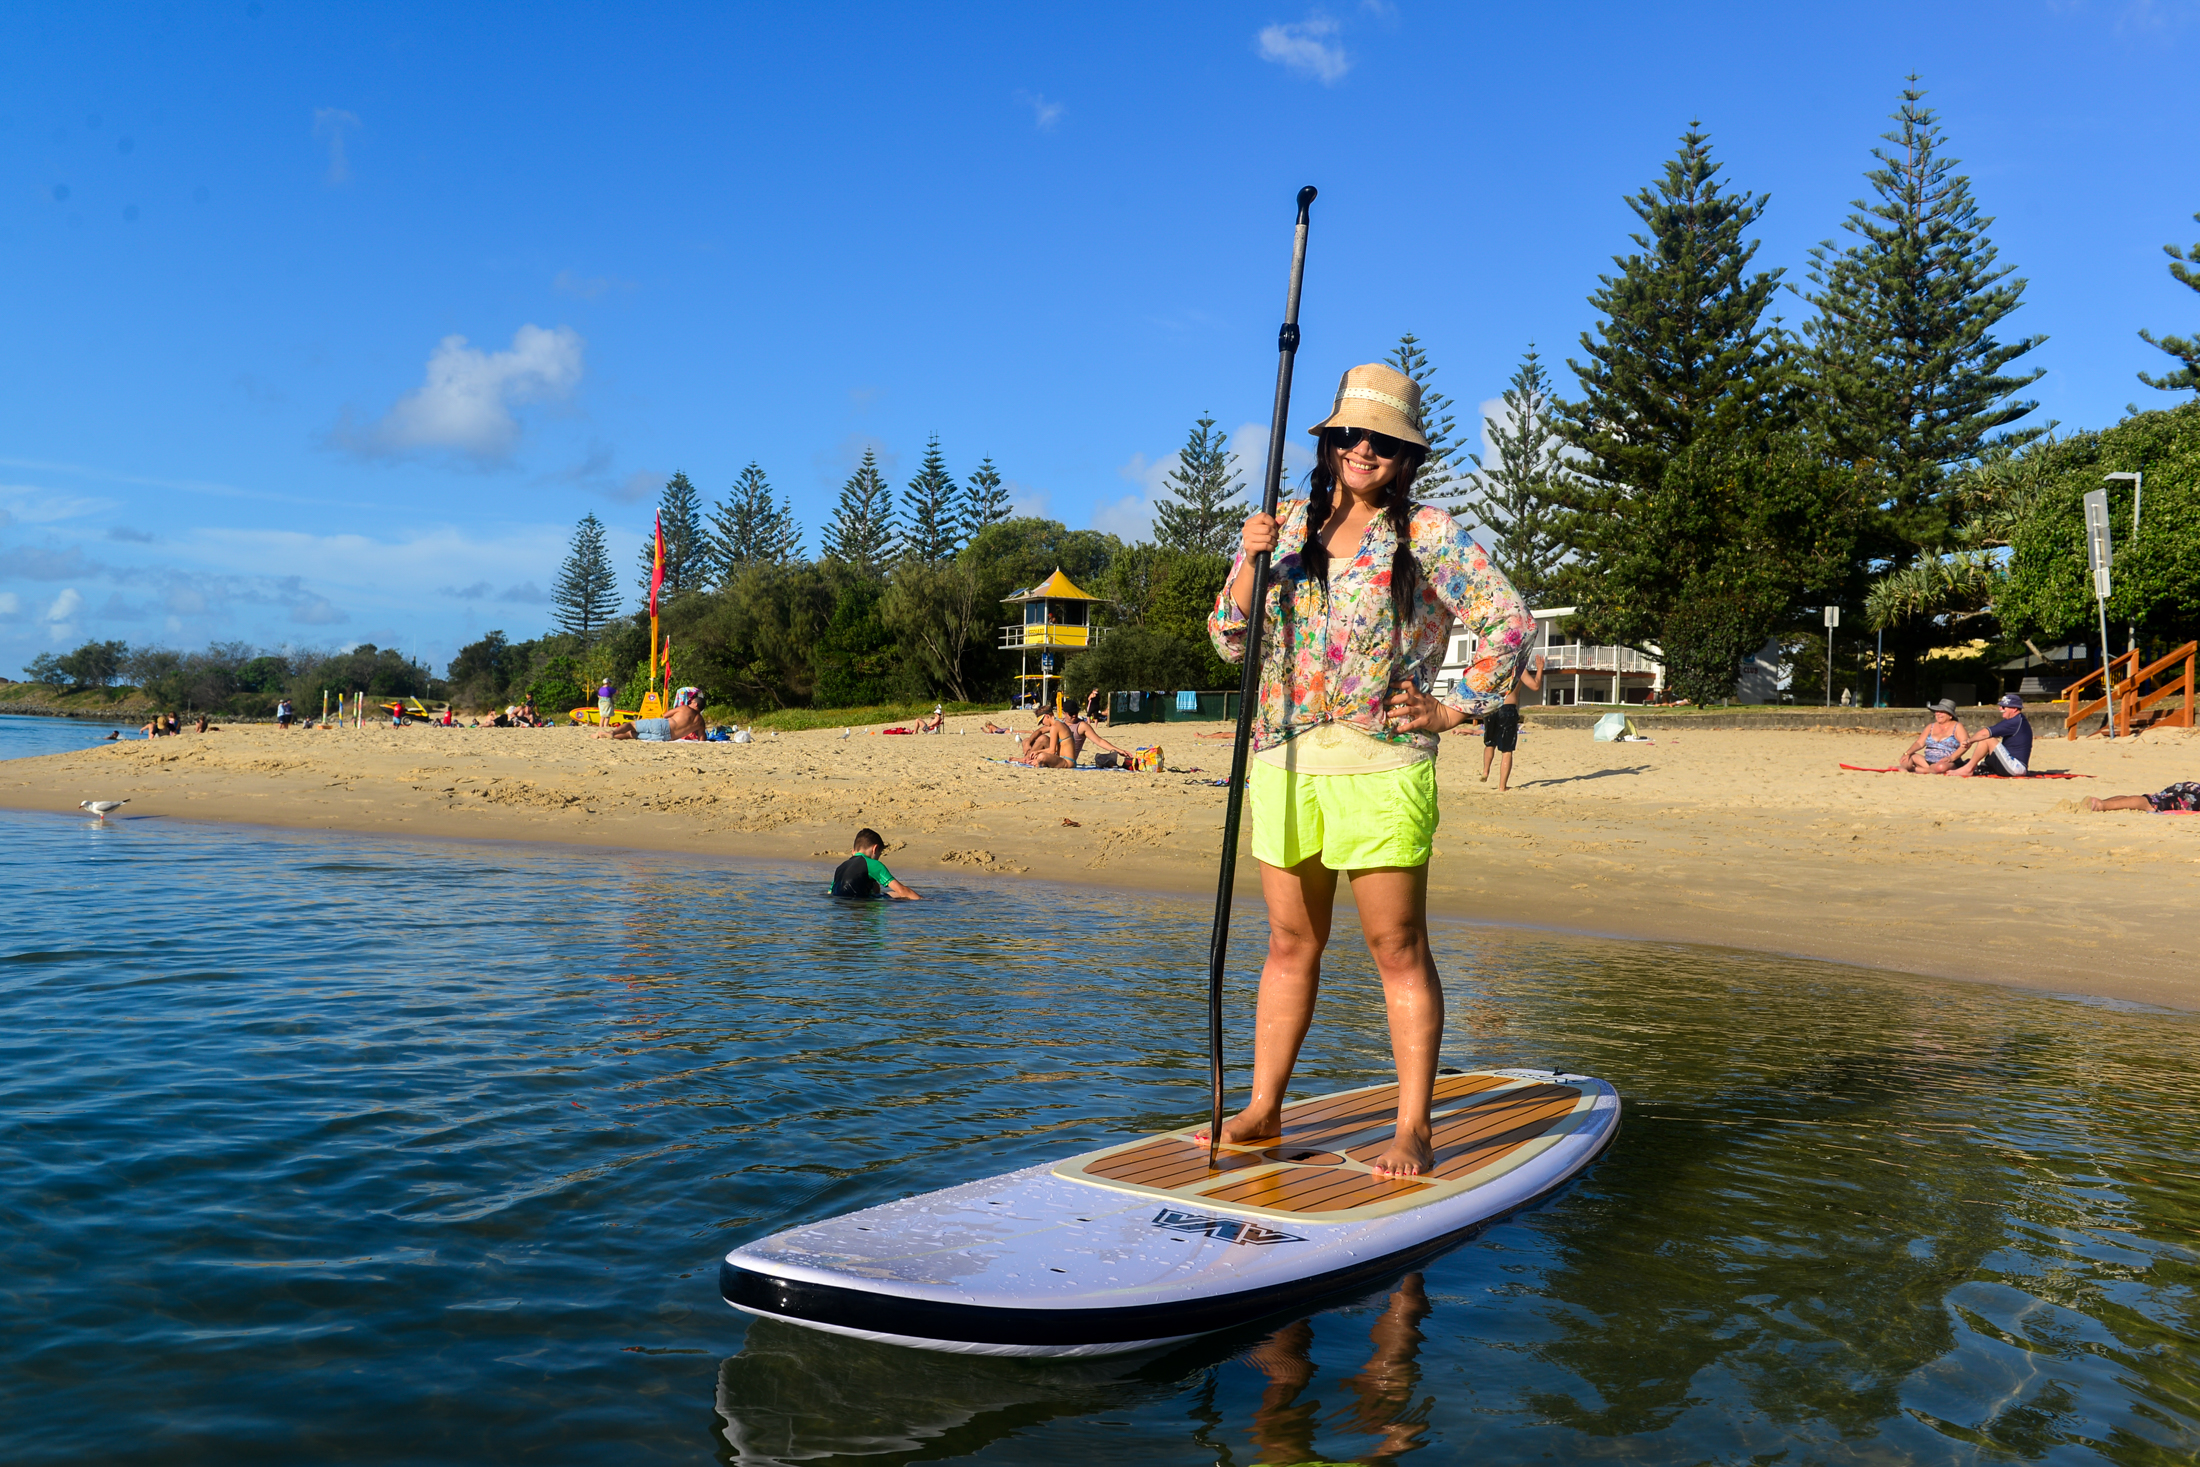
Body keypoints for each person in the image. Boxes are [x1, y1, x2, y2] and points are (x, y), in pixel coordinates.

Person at [1199, 362, 1532, 1178]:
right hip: (1283, 759)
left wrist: (1454, 708)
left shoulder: (1428, 533)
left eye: (1382, 439)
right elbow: (1230, 640)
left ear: (1405, 453)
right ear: (1330, 440)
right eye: (1350, 433)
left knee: (1396, 944)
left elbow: (1510, 621)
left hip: (1382, 764)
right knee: (1288, 942)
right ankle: (1263, 1106)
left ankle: (1414, 1126)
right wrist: (1246, 567)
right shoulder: (1283, 524)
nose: (1363, 449)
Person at [1479, 654, 1545, 792]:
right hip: (1507, 708)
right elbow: (1535, 686)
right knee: (1507, 750)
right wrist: (1540, 669)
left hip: (1491, 707)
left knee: (1490, 743)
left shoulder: (1495, 666)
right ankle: (1502, 786)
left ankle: (1485, 770)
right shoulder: (1518, 667)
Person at [1951, 693, 2032, 777]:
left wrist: (1969, 741)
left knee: (1987, 739)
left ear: (2014, 709)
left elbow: (1984, 733)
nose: (2000, 709)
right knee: (1987, 738)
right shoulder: (2018, 720)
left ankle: (1968, 769)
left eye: (2003, 707)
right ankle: (1972, 766)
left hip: (2016, 767)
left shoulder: (2015, 721)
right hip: (2013, 765)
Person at [830, 827, 922, 900]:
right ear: (875, 849)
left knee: (874, 884)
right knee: (897, 895)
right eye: (879, 854)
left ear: (853, 851)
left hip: (840, 909)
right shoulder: (873, 864)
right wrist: (924, 901)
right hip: (859, 907)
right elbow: (902, 890)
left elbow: (830, 893)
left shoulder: (840, 867)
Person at [1897, 699, 1968, 774]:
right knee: (1908, 758)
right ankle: (1904, 767)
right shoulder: (1930, 726)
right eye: (1937, 711)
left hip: (1948, 762)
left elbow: (1966, 745)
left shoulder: (1957, 727)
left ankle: (1915, 769)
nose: (1938, 714)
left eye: (1941, 712)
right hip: (1927, 761)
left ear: (1950, 715)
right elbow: (1919, 743)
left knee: (1940, 767)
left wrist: (1951, 758)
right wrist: (1907, 753)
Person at [2085, 783, 2200, 813]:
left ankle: (2099, 802)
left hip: (2192, 788)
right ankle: (2101, 805)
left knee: (2154, 798)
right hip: (2195, 794)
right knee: (2152, 803)